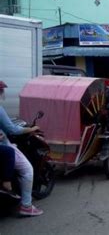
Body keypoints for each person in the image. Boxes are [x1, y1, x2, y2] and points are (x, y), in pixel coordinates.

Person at [0, 81, 43, 216]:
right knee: (27, 170)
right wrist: (31, 128)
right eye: (2, 91)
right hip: (3, 145)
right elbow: (12, 129)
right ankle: (26, 206)